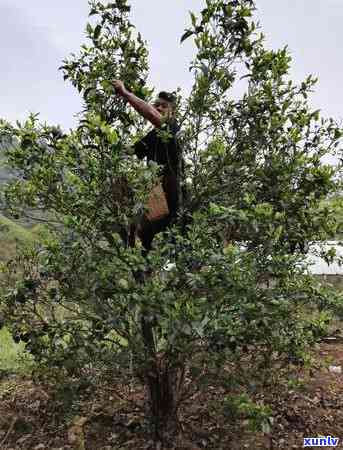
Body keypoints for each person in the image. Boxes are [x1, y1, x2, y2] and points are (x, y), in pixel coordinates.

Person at [113, 80, 182, 254]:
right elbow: (129, 151)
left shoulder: (172, 127)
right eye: (156, 105)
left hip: (170, 199)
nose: (158, 108)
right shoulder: (152, 136)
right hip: (154, 197)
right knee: (144, 245)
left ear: (172, 112)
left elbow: (152, 115)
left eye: (164, 106)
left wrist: (126, 94)